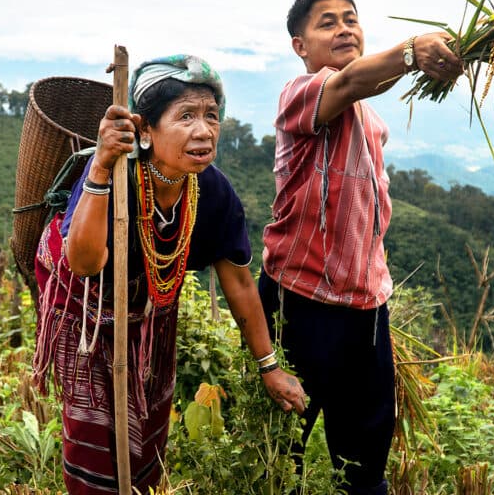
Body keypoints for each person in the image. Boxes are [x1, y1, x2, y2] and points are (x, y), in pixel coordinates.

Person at [33, 54, 307, 495]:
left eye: (211, 116)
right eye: (185, 117)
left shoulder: (213, 193)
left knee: (148, 417)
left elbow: (238, 281)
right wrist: (101, 167)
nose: (203, 131)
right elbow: (83, 264)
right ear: (145, 131)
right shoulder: (116, 175)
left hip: (150, 307)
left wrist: (268, 367)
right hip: (82, 300)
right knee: (96, 432)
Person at [259, 0, 464, 495]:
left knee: (364, 462)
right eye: (326, 22)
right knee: (281, 456)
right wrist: (414, 51)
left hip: (367, 314)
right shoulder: (300, 94)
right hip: (299, 305)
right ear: (299, 46)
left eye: (351, 18)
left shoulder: (371, 123)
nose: (344, 28)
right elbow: (350, 81)